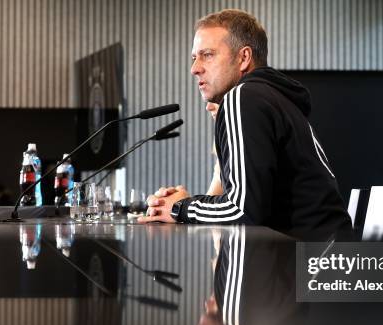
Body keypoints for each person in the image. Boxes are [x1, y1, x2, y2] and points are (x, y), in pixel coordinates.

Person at [140, 9, 350, 239]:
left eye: (207, 55)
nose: (195, 68)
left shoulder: (244, 97)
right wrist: (185, 204)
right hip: (319, 257)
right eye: (194, 58)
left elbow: (243, 211)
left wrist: (180, 208)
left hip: (308, 266)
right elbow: (247, 203)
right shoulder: (268, 97)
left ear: (243, 58)